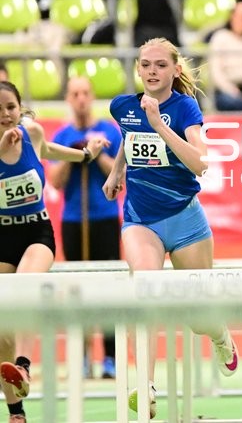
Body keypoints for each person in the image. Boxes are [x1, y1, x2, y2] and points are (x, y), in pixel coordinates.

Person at [102, 37, 239, 419]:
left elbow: (201, 163)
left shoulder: (185, 108)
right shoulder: (122, 106)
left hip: (186, 220)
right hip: (140, 220)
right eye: (145, 64)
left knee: (199, 317)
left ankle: (220, 335)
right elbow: (131, 141)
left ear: (175, 70)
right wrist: (117, 171)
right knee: (145, 292)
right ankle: (143, 384)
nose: (151, 71)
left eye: (160, 65)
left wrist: (159, 124)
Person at [0, 81, 108, 423]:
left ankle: (24, 366)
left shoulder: (30, 131)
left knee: (25, 288)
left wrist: (86, 155)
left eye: (10, 107)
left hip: (37, 231)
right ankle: (16, 409)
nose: (5, 115)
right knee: (2, 328)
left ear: (20, 108)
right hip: (2, 237)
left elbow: (51, 150)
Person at [47, 76, 123, 380]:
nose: (80, 99)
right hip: (73, 220)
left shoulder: (109, 132)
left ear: (92, 96)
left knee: (107, 288)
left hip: (104, 218)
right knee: (75, 289)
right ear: (68, 98)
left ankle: (109, 358)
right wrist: (75, 154)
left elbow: (119, 175)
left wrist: (95, 155)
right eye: (75, 94)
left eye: (85, 93)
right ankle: (80, 358)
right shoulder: (63, 134)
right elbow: (54, 180)